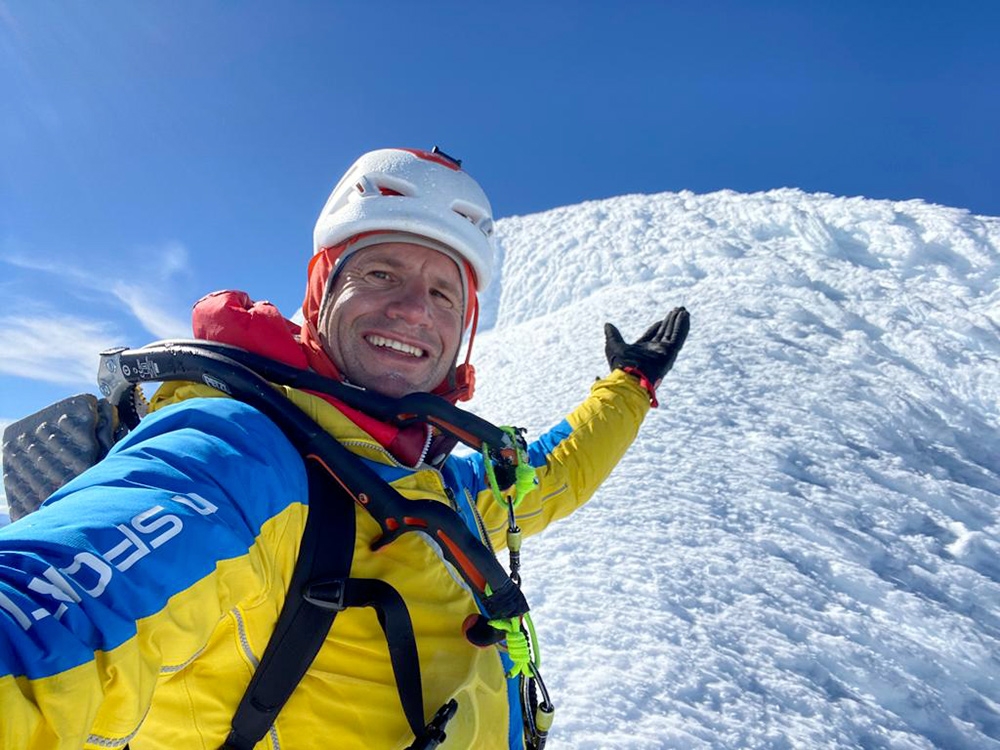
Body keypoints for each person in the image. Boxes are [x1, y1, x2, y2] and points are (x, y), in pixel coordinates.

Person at [0, 147, 689, 749]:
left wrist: (629, 385)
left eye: (444, 293)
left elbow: (554, 473)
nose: (415, 309)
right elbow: (34, 639)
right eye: (382, 274)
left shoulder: (438, 486)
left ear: (463, 337)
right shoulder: (237, 459)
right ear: (320, 292)